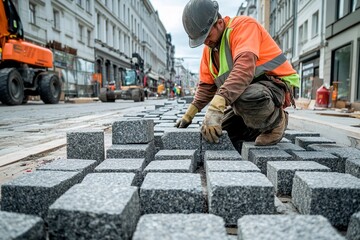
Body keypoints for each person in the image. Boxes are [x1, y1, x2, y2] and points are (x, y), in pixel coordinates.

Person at [176, 0, 299, 146]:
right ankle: (256, 126)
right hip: (245, 94)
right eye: (201, 40)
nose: (205, 42)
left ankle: (276, 122)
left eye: (207, 36)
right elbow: (206, 87)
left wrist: (217, 105)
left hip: (274, 85)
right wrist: (189, 114)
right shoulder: (209, 50)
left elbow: (244, 69)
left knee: (245, 97)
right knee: (218, 133)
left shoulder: (244, 26)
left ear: (219, 23)